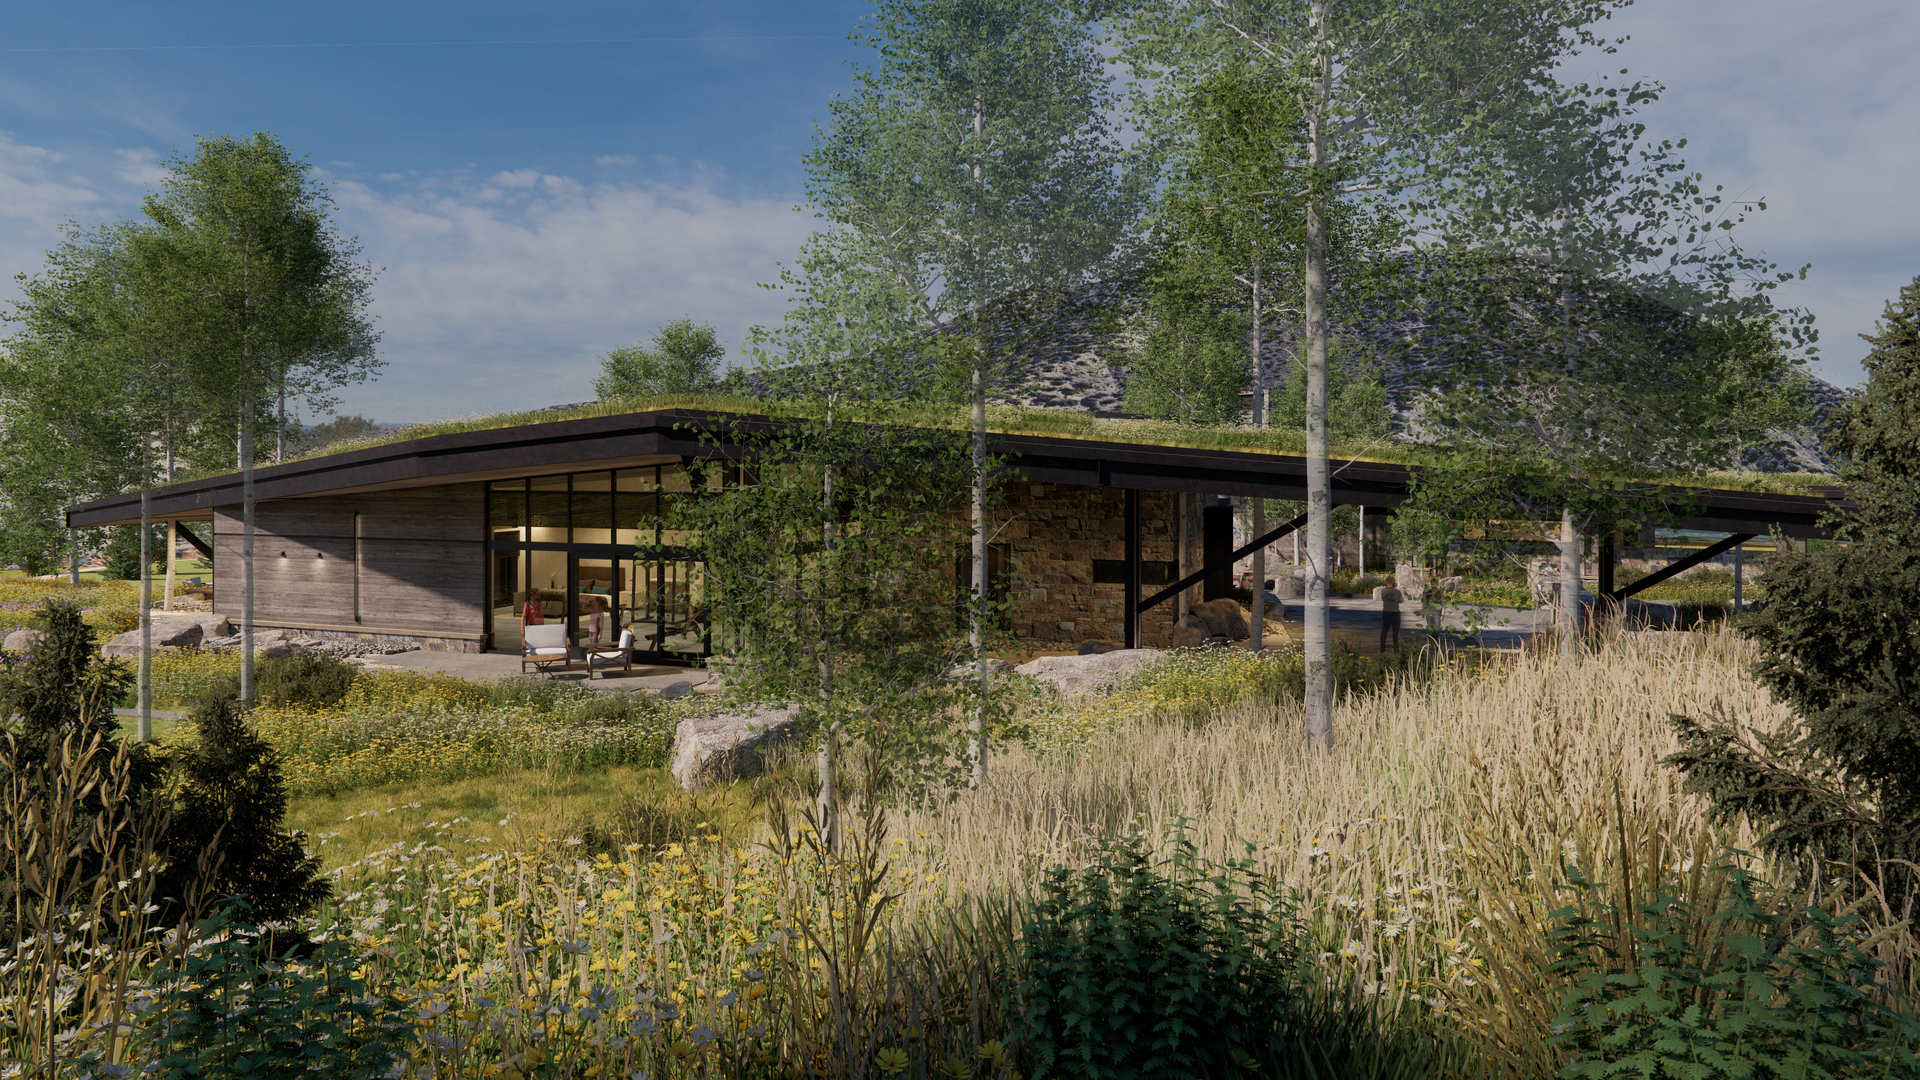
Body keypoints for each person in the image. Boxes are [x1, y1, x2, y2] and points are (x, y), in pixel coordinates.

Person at [1372, 576, 1404, 652]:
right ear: (1393, 582)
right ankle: (1395, 648)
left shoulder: (1383, 591)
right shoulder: (1397, 592)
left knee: (1384, 629)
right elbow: (1401, 600)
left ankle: (1382, 647)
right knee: (1395, 631)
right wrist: (1395, 588)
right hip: (1395, 613)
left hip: (1386, 612)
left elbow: (1384, 598)